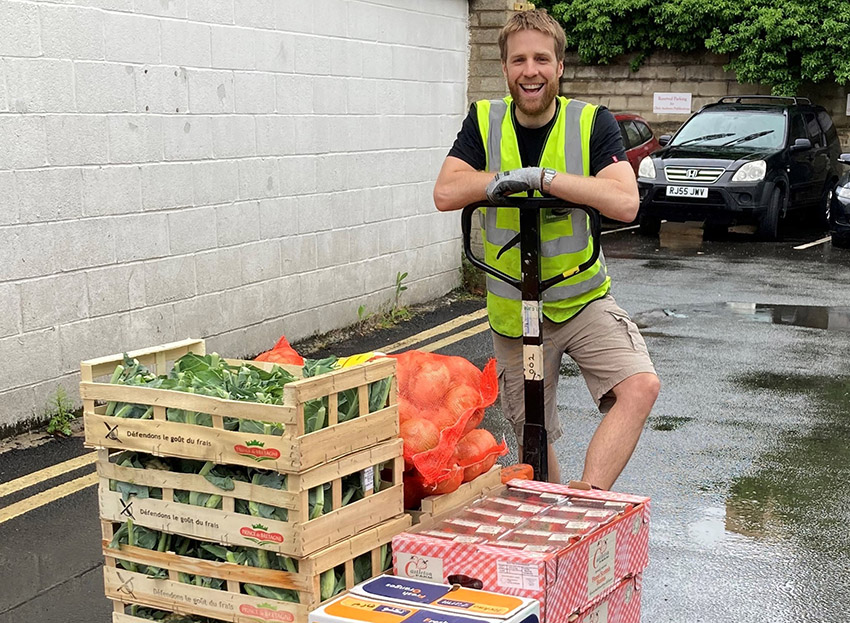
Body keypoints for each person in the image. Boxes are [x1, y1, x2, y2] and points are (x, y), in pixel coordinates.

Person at [433, 9, 660, 488]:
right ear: (506, 69)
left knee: (640, 386)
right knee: (532, 433)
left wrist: (546, 181)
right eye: (519, 60)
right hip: (515, 310)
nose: (529, 71)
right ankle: (552, 514)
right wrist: (503, 181)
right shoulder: (484, 120)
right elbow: (446, 192)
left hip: (580, 298)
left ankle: (586, 499)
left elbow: (624, 201)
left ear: (559, 67)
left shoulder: (591, 123)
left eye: (541, 59)